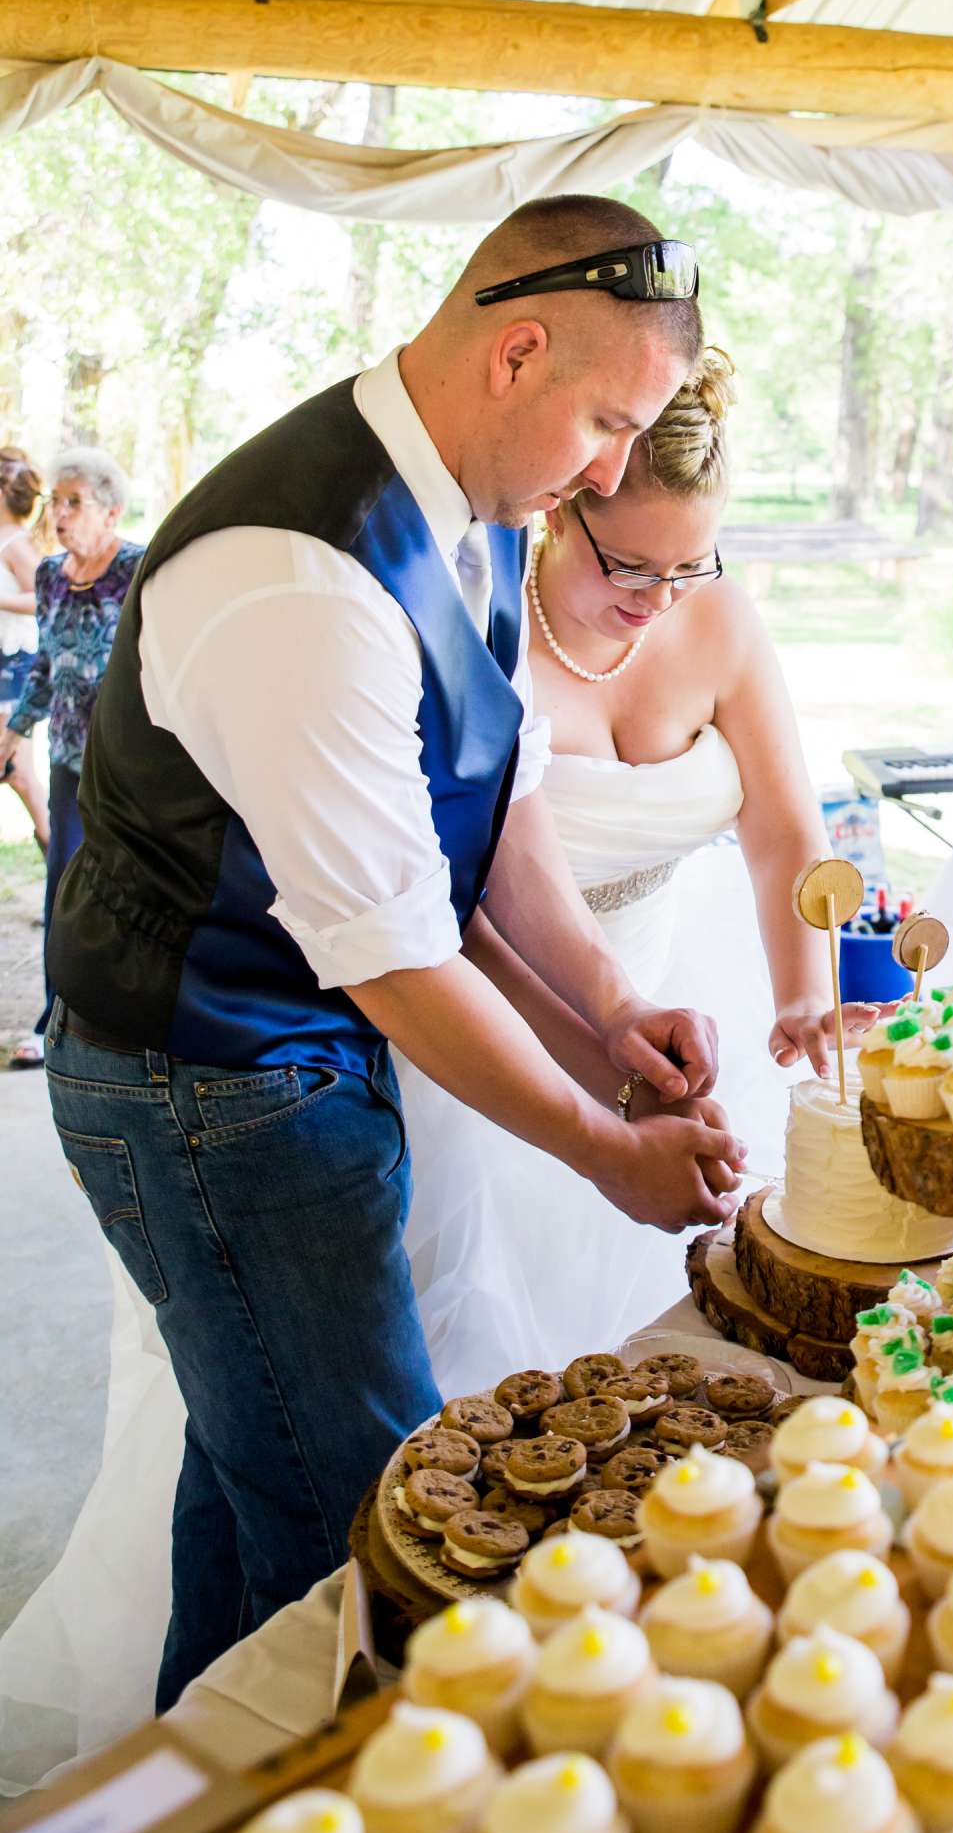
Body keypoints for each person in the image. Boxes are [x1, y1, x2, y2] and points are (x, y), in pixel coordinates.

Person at [35, 194, 746, 1711]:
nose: (613, 476)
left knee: (249, 1483)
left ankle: (197, 1817)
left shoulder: (471, 516)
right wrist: (594, 1143)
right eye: (608, 424)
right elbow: (402, 955)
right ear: (518, 353)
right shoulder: (301, 574)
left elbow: (497, 815)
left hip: (280, 1044)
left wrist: (609, 1012)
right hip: (202, 1076)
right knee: (367, 1517)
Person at [399, 348, 877, 1380]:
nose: (662, 600)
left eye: (688, 568)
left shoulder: (722, 620)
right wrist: (607, 1080)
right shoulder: (481, 623)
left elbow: (785, 830)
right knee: (479, 1348)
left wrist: (801, 994)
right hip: (494, 1006)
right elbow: (466, 911)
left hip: (664, 994)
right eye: (631, 568)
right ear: (565, 508)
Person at [0, 448, 141, 1068]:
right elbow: (46, 662)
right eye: (56, 501)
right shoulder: (52, 575)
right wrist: (14, 729)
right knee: (63, 891)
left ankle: (130, 1022)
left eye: (74, 502)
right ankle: (56, 1021)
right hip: (68, 762)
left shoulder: (140, 569)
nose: (59, 513)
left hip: (132, 767)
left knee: (132, 893)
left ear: (111, 512)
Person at [0, 450, 49, 862]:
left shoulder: (16, 543)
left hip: (12, 663)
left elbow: (43, 597)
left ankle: (55, 843)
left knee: (13, 765)